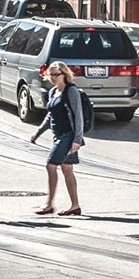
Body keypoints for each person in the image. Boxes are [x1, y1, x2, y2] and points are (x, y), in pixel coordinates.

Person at [29, 62, 84, 215]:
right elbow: (50, 115)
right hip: (58, 135)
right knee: (67, 169)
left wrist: (77, 140)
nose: (53, 77)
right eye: (51, 74)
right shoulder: (54, 91)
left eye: (56, 74)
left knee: (50, 165)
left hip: (68, 135)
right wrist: (38, 132)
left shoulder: (71, 91)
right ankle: (75, 206)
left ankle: (49, 205)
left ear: (64, 74)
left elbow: (78, 116)